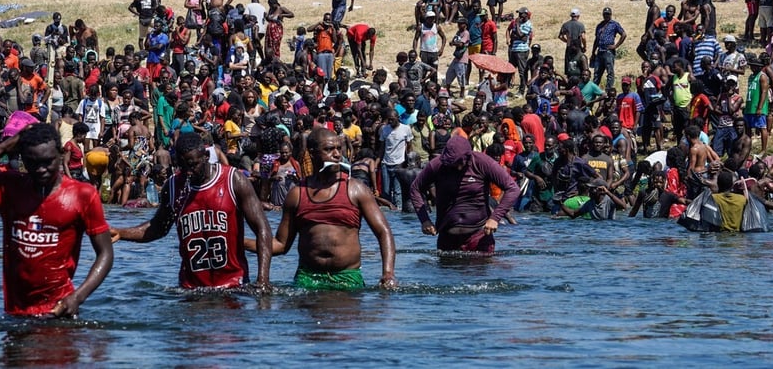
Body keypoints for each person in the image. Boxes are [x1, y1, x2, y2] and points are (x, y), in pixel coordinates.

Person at [0, 123, 113, 317]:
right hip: (15, 313)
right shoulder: (9, 187)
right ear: (23, 159)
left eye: (48, 162)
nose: (41, 169)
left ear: (59, 155)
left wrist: (77, 297)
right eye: (33, 163)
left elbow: (105, 253)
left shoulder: (83, 195)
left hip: (58, 311)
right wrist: (2, 148)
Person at [112, 132, 272, 290]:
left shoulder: (233, 180)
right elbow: (158, 228)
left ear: (206, 157)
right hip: (191, 289)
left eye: (193, 164)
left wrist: (263, 280)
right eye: (183, 166)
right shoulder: (173, 186)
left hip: (234, 286)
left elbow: (262, 228)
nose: (188, 171)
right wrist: (121, 233)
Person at [254, 128, 396, 290]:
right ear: (312, 153)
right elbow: (280, 244)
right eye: (329, 149)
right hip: (307, 278)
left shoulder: (356, 190)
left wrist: (388, 273)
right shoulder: (297, 194)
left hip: (347, 277)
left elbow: (383, 232)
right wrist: (238, 242)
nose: (336, 155)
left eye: (338, 149)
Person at [410, 135, 520, 252]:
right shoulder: (437, 165)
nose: (455, 167)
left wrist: (495, 218)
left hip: (478, 237)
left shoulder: (482, 162)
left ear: (468, 157)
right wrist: (424, 220)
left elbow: (513, 189)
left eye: (458, 163)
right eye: (450, 163)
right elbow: (415, 188)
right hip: (447, 238)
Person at [591, 7, 626, 90]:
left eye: (608, 14)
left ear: (611, 15)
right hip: (600, 51)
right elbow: (596, 39)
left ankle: (608, 91)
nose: (606, 16)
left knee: (610, 72)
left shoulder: (614, 24)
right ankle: (594, 90)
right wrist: (593, 52)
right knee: (597, 73)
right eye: (605, 14)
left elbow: (623, 34)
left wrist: (616, 46)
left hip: (608, 51)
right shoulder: (599, 25)